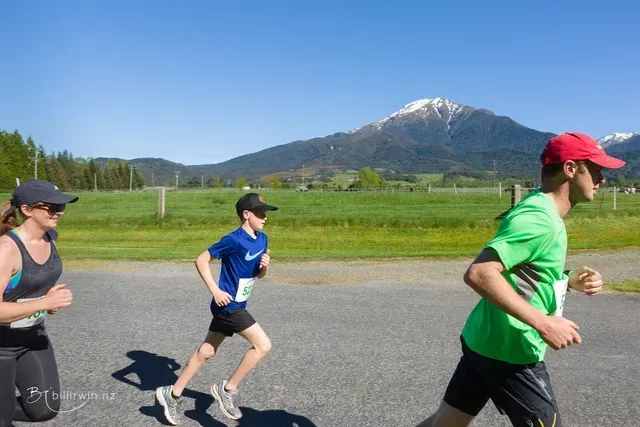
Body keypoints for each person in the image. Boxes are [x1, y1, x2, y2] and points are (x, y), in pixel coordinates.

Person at [416, 132, 626, 427]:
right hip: (511, 351)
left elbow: (523, 273)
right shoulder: (539, 219)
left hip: (485, 340)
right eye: (596, 169)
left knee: (446, 422)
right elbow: (480, 273)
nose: (602, 179)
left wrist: (568, 280)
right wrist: (544, 322)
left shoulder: (542, 209)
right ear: (570, 168)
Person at [156, 192, 277, 425]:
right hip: (228, 305)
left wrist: (265, 267)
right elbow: (201, 259)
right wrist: (215, 290)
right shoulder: (233, 239)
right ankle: (227, 389)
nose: (265, 217)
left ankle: (171, 394)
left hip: (238, 304)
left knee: (207, 352)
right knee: (263, 345)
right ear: (246, 214)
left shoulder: (262, 240)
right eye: (260, 213)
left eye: (266, 213)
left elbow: (258, 276)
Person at [0, 179, 78, 427]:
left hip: (33, 337)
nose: (60, 212)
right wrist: (43, 303)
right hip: (1, 345)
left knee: (45, 409)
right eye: (52, 207)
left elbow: (32, 287)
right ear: (27, 209)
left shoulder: (49, 237)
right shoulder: (6, 249)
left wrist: (45, 301)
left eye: (61, 206)